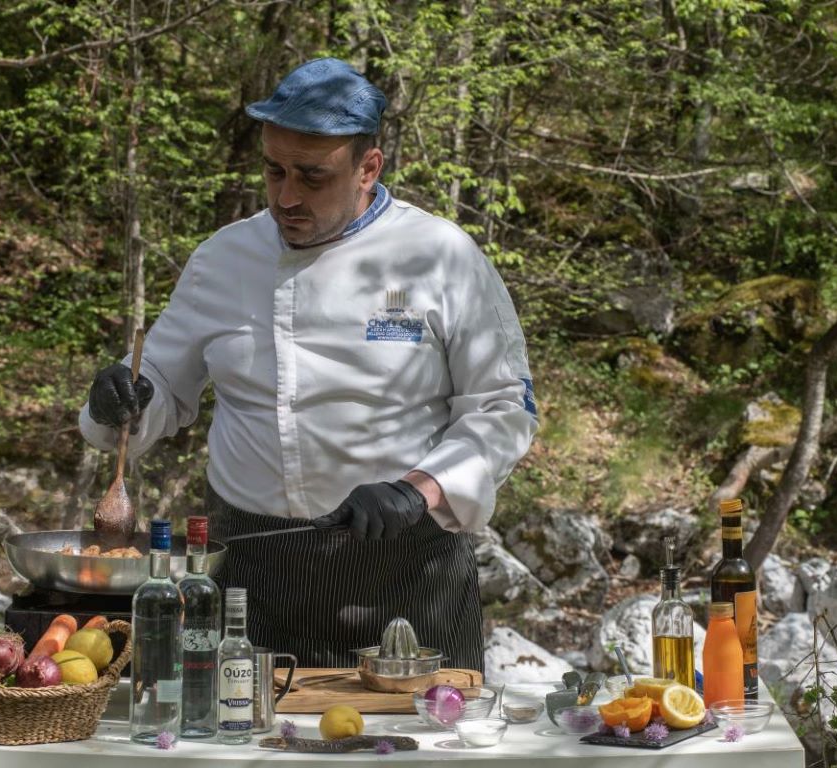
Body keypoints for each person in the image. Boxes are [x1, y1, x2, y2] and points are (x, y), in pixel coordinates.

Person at [79, 57, 538, 672]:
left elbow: (504, 407)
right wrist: (124, 397)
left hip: (406, 567)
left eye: (313, 177)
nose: (286, 197)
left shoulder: (441, 256)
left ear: (368, 169)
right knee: (243, 731)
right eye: (274, 171)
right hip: (248, 567)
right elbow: (161, 381)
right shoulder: (223, 258)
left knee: (417, 734)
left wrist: (418, 490)